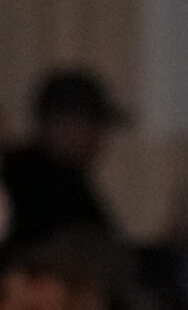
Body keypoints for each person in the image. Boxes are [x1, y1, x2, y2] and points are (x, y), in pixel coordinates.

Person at [0, 69, 129, 266]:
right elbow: (99, 257)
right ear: (63, 125)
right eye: (93, 127)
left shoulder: (49, 175)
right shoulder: (49, 182)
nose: (99, 141)